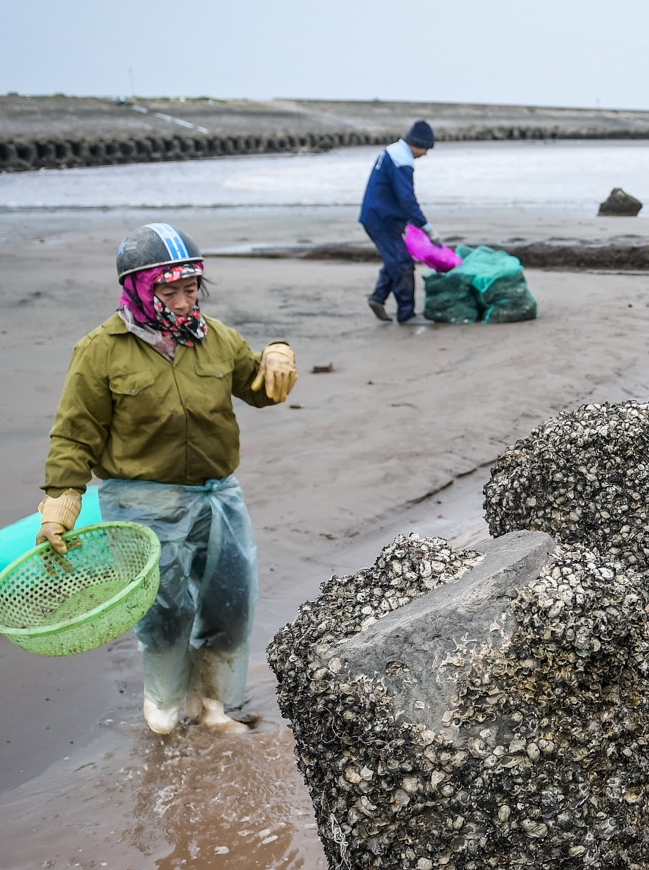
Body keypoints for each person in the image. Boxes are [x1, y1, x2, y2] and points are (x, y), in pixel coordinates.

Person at [37, 223, 298, 735]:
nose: (182, 302)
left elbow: (259, 388)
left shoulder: (217, 339)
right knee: (164, 609)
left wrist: (278, 353)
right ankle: (162, 704)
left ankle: (212, 704)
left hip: (218, 496)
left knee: (230, 601)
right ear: (137, 287)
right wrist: (61, 502)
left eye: (191, 288)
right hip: (141, 502)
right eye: (168, 290)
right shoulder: (100, 350)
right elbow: (74, 434)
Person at [359, 119, 438, 325]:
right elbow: (406, 198)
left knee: (395, 259)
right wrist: (426, 226)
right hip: (382, 219)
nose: (426, 154)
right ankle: (406, 314)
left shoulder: (393, 152)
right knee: (402, 264)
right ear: (417, 143)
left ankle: (378, 299)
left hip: (381, 216)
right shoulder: (401, 160)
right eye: (426, 148)